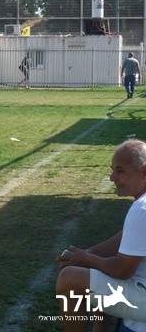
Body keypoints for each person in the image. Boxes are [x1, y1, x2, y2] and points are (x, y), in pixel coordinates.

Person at [56, 140, 146, 332]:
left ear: (144, 172)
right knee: (99, 267)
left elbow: (122, 271)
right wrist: (86, 255)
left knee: (69, 278)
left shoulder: (141, 209)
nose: (112, 178)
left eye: (120, 171)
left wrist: (87, 259)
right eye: (113, 170)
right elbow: (124, 239)